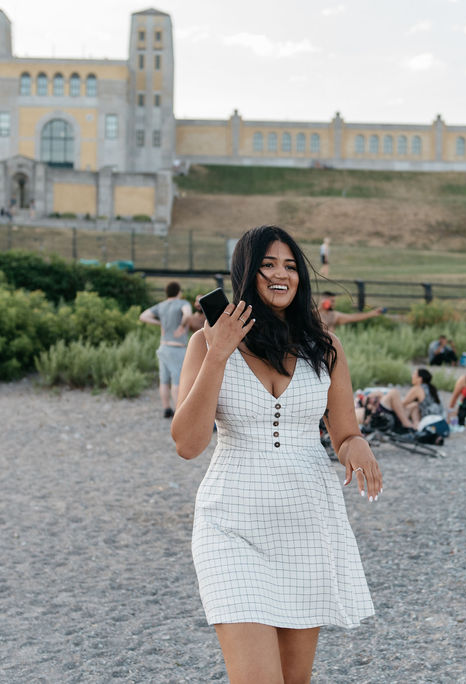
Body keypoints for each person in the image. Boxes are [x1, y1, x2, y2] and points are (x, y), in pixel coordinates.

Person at [171, 225, 379, 682]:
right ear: (247, 273)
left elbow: (344, 433)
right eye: (268, 264)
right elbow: (187, 444)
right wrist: (218, 354)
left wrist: (356, 445)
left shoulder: (324, 347)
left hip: (306, 523)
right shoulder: (206, 344)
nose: (281, 274)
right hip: (231, 526)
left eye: (290, 265)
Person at [139, 282, 192, 418]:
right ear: (179, 291)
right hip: (177, 348)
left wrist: (159, 323)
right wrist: (182, 326)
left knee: (164, 380)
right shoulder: (183, 303)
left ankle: (166, 409)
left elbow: (143, 316)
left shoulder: (161, 306)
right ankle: (179, 411)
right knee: (177, 381)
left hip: (163, 347)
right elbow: (187, 315)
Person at [318, 291, 383, 332]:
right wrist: (320, 308)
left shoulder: (334, 315)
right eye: (332, 301)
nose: (334, 304)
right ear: (324, 301)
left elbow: (353, 317)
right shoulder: (315, 314)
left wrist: (372, 313)